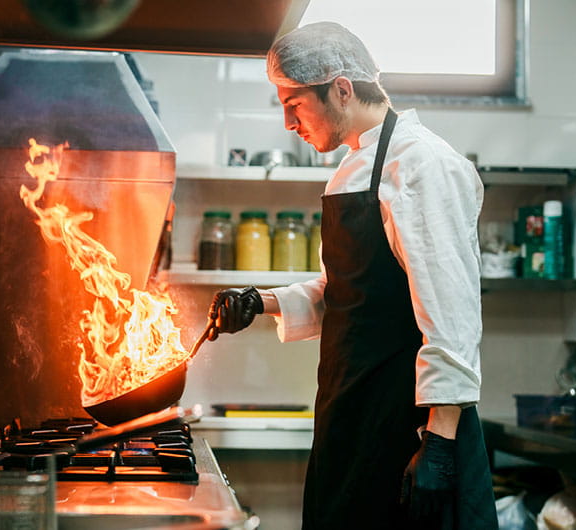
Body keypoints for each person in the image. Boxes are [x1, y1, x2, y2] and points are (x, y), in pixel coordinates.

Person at [206, 22, 498, 530]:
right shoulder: (352, 168)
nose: (287, 123)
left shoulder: (421, 164)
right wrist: (260, 301)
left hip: (409, 428)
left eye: (293, 104)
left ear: (341, 89)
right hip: (351, 412)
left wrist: (441, 444)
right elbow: (344, 292)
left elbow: (452, 314)